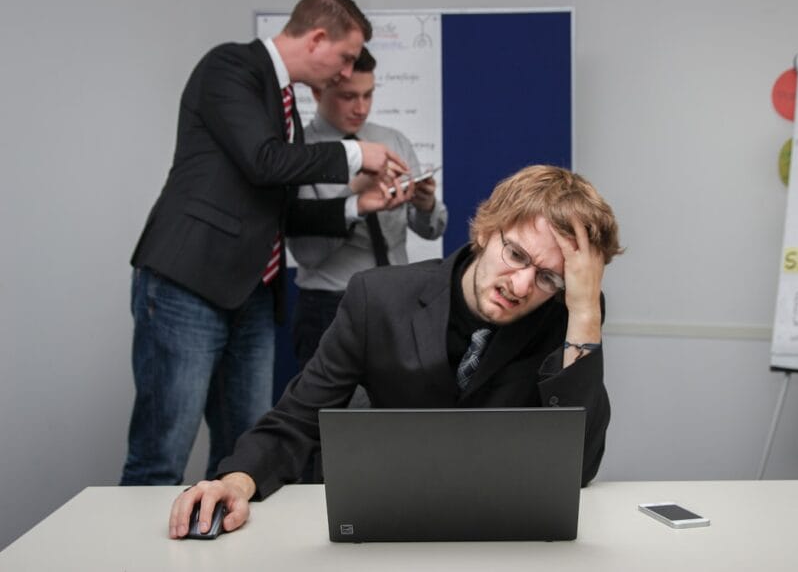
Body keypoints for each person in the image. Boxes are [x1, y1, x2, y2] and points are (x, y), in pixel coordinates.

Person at [168, 164, 623, 539]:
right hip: (382, 524)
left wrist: (584, 311)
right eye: (517, 255)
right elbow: (298, 418)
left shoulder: (568, 317)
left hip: (498, 533)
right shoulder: (378, 298)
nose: (522, 286)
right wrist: (234, 480)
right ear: (487, 230)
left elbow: (577, 468)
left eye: (549, 278)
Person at [121, 0, 411, 487]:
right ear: (318, 38)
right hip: (188, 285)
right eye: (344, 58)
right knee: (161, 456)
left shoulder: (284, 107)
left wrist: (357, 205)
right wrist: (359, 155)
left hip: (253, 295)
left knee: (243, 458)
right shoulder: (229, 68)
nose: (346, 73)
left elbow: (282, 209)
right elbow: (264, 162)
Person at [288, 46, 448, 373]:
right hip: (330, 305)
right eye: (348, 96)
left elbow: (433, 229)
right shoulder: (300, 153)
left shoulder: (392, 140)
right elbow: (307, 255)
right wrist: (354, 197)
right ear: (318, 91)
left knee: (403, 411)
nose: (361, 107)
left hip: (400, 299)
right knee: (329, 417)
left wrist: (425, 203)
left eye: (368, 95)